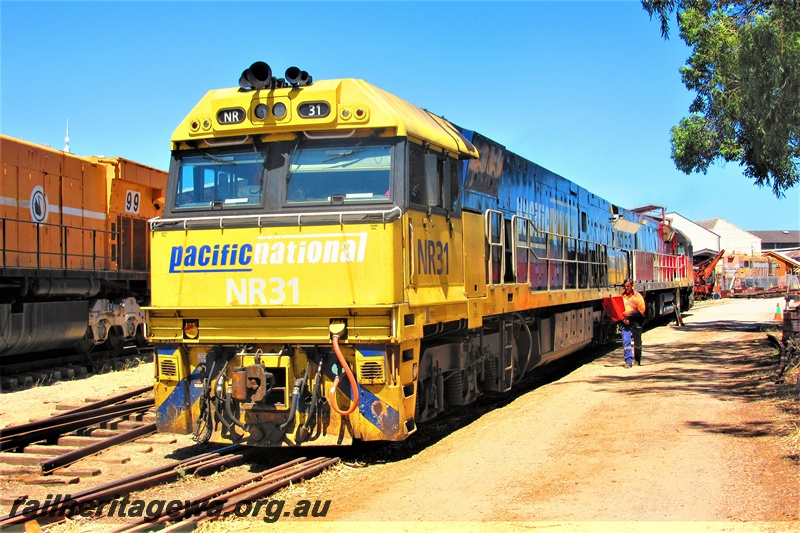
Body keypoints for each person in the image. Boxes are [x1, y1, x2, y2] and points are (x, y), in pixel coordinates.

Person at [621, 279, 646, 368]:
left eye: (628, 286)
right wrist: (623, 318)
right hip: (625, 322)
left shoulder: (638, 296)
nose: (626, 288)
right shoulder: (622, 297)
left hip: (636, 321)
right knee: (626, 341)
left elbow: (642, 310)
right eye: (625, 286)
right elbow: (619, 309)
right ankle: (628, 361)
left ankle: (637, 359)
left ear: (632, 286)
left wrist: (630, 314)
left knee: (637, 341)